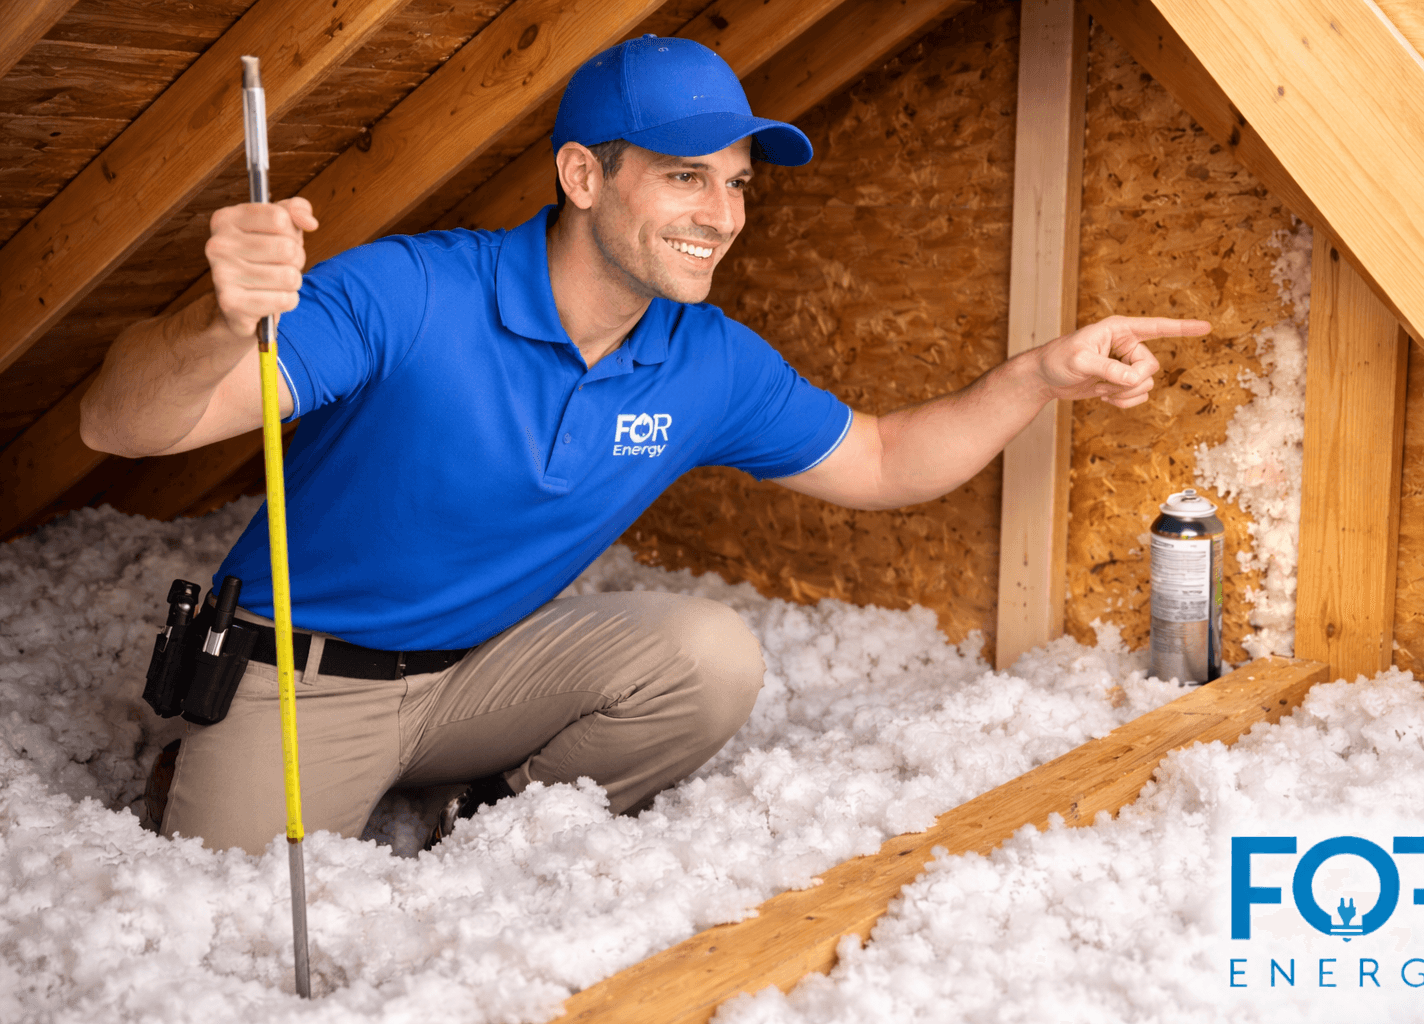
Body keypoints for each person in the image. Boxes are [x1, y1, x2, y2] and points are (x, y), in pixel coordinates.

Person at [80, 36, 1208, 855]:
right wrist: (214, 320)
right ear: (584, 177)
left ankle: (472, 820)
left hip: (480, 672)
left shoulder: (705, 357)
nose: (719, 213)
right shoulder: (410, 292)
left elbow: (879, 459)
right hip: (305, 682)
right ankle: (203, 762)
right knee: (216, 896)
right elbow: (118, 425)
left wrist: (1038, 377)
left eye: (734, 183)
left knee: (710, 653)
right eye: (683, 176)